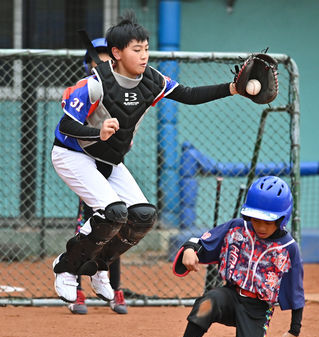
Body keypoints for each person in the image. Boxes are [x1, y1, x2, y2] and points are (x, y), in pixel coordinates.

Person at [51, 10, 240, 304]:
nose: (144, 55)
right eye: (136, 49)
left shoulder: (152, 81)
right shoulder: (95, 83)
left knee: (141, 217)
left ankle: (99, 266)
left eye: (146, 49)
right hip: (73, 154)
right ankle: (66, 268)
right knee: (112, 213)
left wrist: (233, 89)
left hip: (110, 160)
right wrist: (96, 130)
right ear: (116, 53)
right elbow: (64, 126)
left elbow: (189, 94)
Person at [162, 176, 305, 337]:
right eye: (256, 219)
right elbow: (202, 240)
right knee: (208, 302)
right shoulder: (237, 227)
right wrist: (189, 249)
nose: (261, 227)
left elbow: (296, 292)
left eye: (268, 221)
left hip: (258, 308)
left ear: (282, 219)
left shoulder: (288, 248)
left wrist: (294, 330)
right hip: (230, 296)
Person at [66, 38, 127, 315]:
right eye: (98, 58)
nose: (104, 63)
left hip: (109, 167)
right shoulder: (84, 90)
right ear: (88, 62)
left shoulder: (118, 88)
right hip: (85, 167)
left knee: (116, 225)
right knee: (88, 226)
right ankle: (77, 291)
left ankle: (115, 290)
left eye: (108, 58)